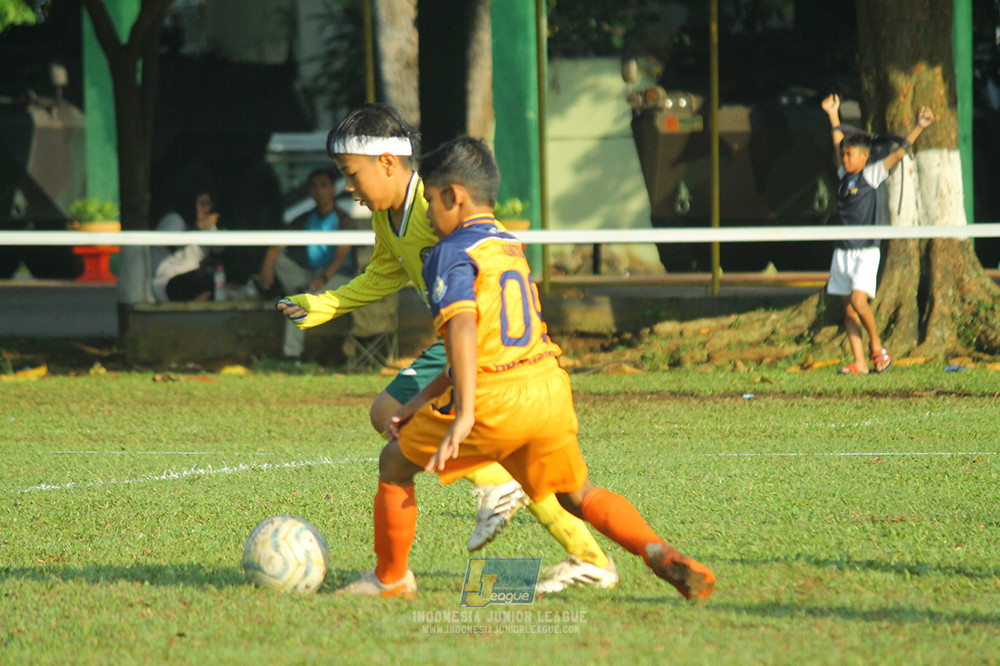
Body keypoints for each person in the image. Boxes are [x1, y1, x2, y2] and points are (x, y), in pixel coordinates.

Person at [332, 137, 716, 600]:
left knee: (393, 465)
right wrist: (417, 402)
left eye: (431, 202)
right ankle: (658, 550)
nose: (429, 215)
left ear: (454, 196)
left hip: (494, 398)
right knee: (578, 493)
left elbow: (463, 333)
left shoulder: (450, 252)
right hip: (548, 388)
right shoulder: (509, 245)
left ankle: (391, 579)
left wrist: (467, 413)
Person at [276, 104, 618, 593]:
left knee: (398, 420)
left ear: (389, 164)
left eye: (351, 174)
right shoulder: (384, 217)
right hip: (458, 340)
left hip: (481, 341)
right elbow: (385, 273)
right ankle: (585, 554)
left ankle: (476, 502)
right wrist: (328, 304)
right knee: (398, 418)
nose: (347, 186)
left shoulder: (431, 206)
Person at [821, 94, 935, 375]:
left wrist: (919, 127)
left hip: (866, 251)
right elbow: (838, 143)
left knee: (860, 302)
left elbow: (898, 153)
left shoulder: (870, 176)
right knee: (848, 310)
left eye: (850, 155)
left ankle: (877, 347)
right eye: (844, 155)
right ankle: (859, 362)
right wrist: (833, 114)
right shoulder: (843, 175)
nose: (845, 158)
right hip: (843, 251)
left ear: (864, 157)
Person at [257, 168, 355, 361]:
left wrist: (324, 278)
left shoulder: (343, 219)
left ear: (333, 189)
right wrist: (267, 263)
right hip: (308, 277)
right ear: (309, 191)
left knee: (298, 303)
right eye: (314, 186)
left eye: (324, 186)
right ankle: (302, 290)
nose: (319, 191)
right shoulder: (304, 219)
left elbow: (341, 255)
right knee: (280, 265)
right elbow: (276, 247)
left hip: (337, 278)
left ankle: (291, 356)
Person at [151, 192, 222, 302]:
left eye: (209, 205)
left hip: (195, 281)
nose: (206, 209)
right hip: (167, 282)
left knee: (216, 276)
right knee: (204, 277)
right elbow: (173, 243)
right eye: (202, 204)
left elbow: (218, 250)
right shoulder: (173, 219)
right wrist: (199, 225)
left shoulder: (208, 227)